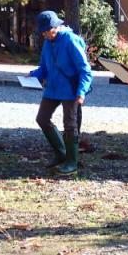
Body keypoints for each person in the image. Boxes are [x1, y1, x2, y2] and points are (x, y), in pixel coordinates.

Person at [28, 10, 92, 176]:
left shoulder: (70, 40)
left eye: (46, 31)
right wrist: (32, 75)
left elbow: (85, 70)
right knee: (42, 118)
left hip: (70, 90)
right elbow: (44, 68)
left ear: (55, 27)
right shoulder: (47, 42)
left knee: (70, 125)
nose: (44, 34)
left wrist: (81, 91)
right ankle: (61, 153)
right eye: (42, 31)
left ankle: (72, 162)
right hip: (52, 88)